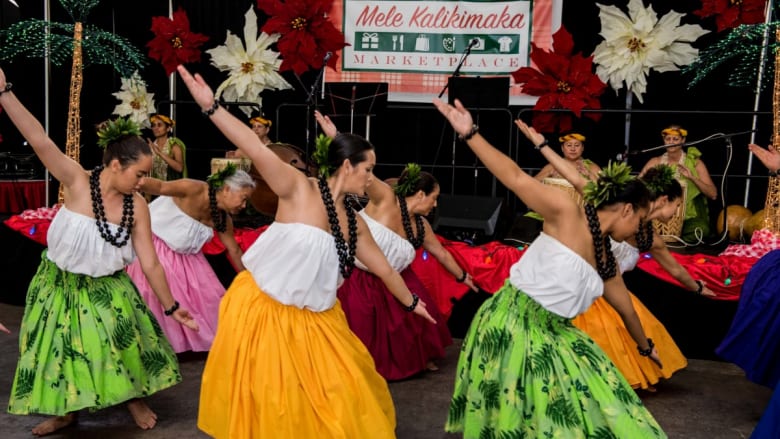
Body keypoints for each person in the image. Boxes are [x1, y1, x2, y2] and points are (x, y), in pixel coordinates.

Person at [177, 64, 435, 438]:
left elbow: (384, 269)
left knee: (342, 395)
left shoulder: (353, 220)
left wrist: (412, 303)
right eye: (368, 170)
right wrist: (211, 107)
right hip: (265, 311)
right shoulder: (298, 187)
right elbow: (252, 146)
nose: (370, 179)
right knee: (274, 404)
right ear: (347, 166)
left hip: (318, 322)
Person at [434, 98, 665, 438]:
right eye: (641, 221)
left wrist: (645, 347)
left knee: (601, 402)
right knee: (532, 422)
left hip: (555, 332)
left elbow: (627, 311)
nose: (638, 232)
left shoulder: (607, 262)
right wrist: (470, 134)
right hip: (510, 322)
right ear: (627, 210)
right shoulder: (565, 212)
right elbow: (513, 177)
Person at [0, 69, 198, 436]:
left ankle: (133, 397)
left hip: (107, 288)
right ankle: (66, 412)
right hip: (57, 285)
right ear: (114, 165)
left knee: (113, 344)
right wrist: (5, 92)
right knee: (58, 353)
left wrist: (171, 305)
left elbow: (150, 261)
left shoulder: (135, 206)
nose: (143, 182)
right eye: (138, 174)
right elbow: (39, 138)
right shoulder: (76, 181)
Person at [533, 137, 714, 390]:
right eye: (676, 204)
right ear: (663, 199)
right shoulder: (617, 211)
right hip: (583, 292)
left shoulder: (649, 236)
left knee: (629, 321)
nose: (676, 211)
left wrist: (696, 287)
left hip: (610, 288)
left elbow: (674, 268)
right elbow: (576, 180)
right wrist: (542, 147)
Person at [126, 164, 254, 353]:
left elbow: (234, 250)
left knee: (212, 297)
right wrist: (130, 181)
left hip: (188, 259)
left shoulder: (222, 219)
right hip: (155, 249)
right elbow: (160, 187)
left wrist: (250, 282)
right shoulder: (194, 188)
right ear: (227, 189)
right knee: (158, 289)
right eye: (243, 199)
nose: (244, 206)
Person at [640, 125, 717, 242]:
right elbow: (637, 186)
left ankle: (673, 237)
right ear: (663, 141)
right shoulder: (655, 162)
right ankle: (661, 236)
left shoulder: (695, 163)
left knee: (700, 231)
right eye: (668, 139)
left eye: (675, 139)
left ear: (683, 140)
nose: (671, 142)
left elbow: (713, 194)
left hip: (687, 217)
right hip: (657, 217)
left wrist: (691, 177)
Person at [534, 130, 601, 182]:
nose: (573, 149)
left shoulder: (591, 167)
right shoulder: (554, 165)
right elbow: (532, 184)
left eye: (577, 145)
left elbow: (605, 188)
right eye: (569, 145)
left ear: (583, 148)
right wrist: (548, 174)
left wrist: (589, 175)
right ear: (562, 148)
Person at [148, 113, 187, 180]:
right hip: (153, 187)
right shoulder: (150, 146)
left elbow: (180, 168)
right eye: (153, 125)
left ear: (168, 128)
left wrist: (160, 153)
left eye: (159, 125)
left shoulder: (174, 146)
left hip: (170, 187)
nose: (155, 128)